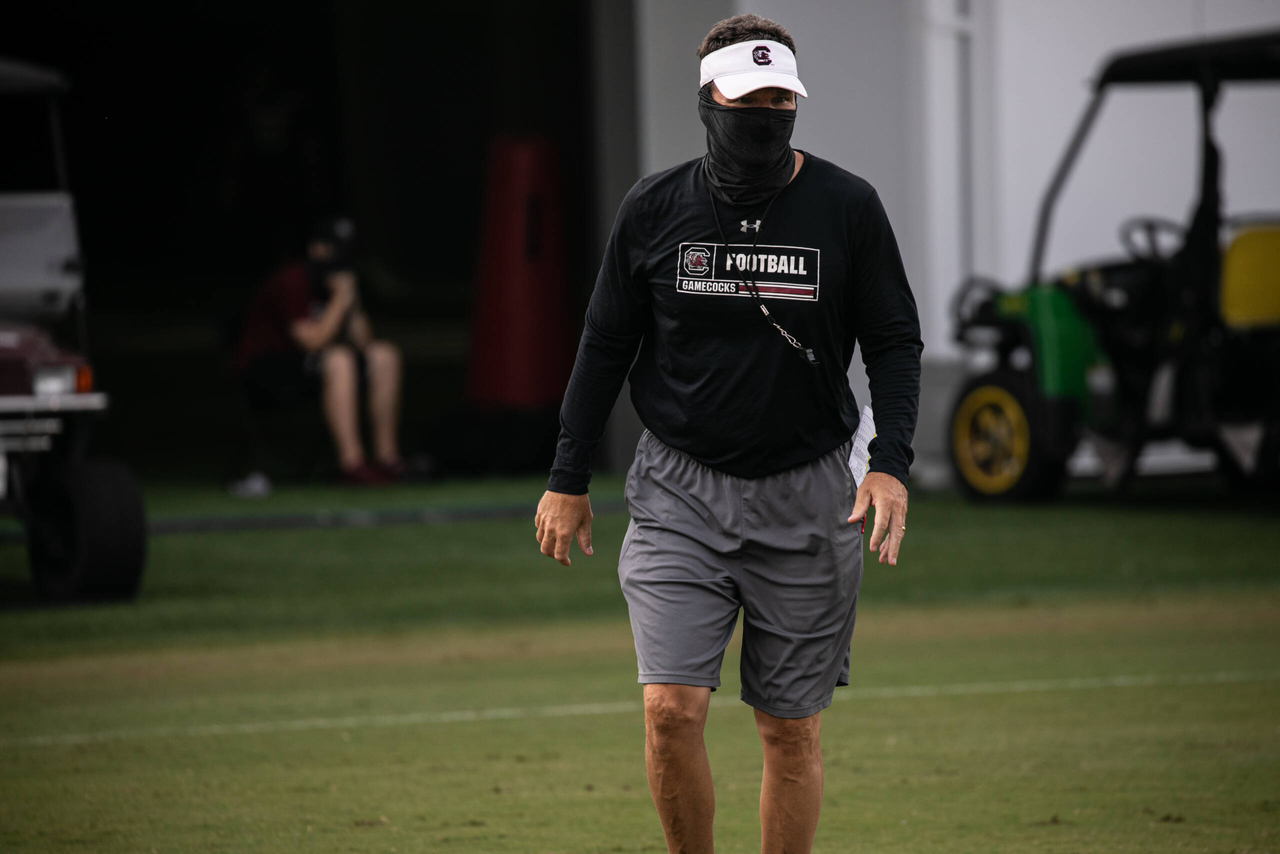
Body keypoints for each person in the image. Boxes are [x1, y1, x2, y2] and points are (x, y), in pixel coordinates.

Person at [533, 14, 922, 854]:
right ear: (709, 101)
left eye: (781, 98)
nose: (765, 115)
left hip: (812, 489)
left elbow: (894, 340)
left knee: (791, 733)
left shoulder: (848, 207)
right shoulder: (654, 207)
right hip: (680, 488)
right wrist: (568, 475)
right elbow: (604, 344)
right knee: (671, 709)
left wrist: (889, 465)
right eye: (748, 100)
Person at [233, 217, 404, 484]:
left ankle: (387, 458)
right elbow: (312, 341)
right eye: (336, 249)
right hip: (267, 369)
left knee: (385, 355)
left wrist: (352, 301)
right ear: (316, 248)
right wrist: (339, 300)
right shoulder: (292, 280)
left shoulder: (339, 280)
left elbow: (364, 340)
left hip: (313, 365)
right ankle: (352, 463)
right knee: (339, 360)